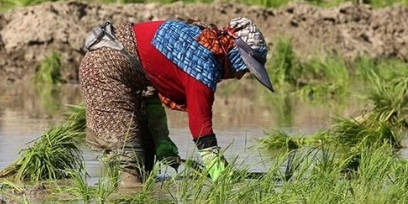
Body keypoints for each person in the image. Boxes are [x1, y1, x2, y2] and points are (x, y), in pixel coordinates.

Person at [78, 16, 273, 188]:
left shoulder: (202, 43)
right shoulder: (201, 63)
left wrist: (161, 139)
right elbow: (201, 126)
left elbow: (151, 95)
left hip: (128, 74)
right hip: (103, 70)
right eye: (245, 68)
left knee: (147, 157)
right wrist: (218, 172)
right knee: (131, 161)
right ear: (234, 54)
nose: (240, 76)